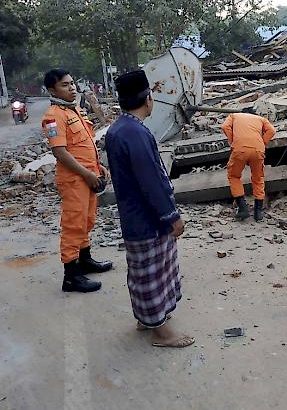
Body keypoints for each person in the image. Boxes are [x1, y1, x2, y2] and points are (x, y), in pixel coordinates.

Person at [105, 70, 194, 348]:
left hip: (134, 216)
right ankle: (161, 331)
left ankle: (146, 318)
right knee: (155, 273)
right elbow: (152, 181)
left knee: (142, 271)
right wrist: (171, 216)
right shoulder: (136, 133)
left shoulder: (118, 129)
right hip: (148, 219)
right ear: (148, 99)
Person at [41, 69, 113, 293]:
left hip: (88, 174)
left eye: (72, 83)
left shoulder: (76, 111)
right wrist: (87, 174)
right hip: (74, 179)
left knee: (87, 220)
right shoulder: (54, 116)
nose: (71, 88)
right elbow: (60, 152)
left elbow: (85, 146)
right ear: (52, 90)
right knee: (74, 225)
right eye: (65, 85)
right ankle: (71, 276)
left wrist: (97, 167)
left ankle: (85, 260)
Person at [222, 110, 276, 221]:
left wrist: (233, 141)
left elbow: (225, 126)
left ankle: (242, 209)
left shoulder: (234, 115)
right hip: (258, 150)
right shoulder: (261, 119)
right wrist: (263, 142)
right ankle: (258, 213)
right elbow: (272, 130)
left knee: (234, 176)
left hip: (240, 149)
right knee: (258, 178)